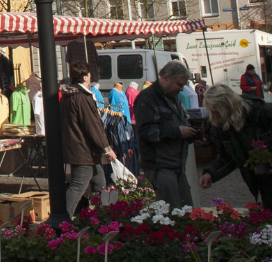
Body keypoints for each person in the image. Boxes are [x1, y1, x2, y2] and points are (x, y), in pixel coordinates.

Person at [132, 60, 196, 208]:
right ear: (166, 77)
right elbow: (146, 131)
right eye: (179, 84)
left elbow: (180, 124)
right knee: (171, 212)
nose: (181, 89)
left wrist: (192, 134)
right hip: (160, 166)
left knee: (187, 211)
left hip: (177, 166)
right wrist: (177, 132)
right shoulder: (148, 98)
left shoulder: (174, 98)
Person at [200, 84, 272, 205]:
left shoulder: (262, 112)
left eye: (216, 111)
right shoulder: (221, 125)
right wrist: (210, 173)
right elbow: (227, 156)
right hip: (265, 181)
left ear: (227, 106)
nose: (214, 115)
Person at [62, 61, 117, 214]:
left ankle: (102, 215)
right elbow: (92, 126)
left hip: (84, 149)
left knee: (99, 182)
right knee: (78, 186)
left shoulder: (69, 95)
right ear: (86, 76)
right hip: (84, 150)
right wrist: (106, 148)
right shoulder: (81, 97)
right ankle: (64, 218)